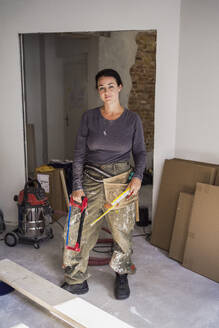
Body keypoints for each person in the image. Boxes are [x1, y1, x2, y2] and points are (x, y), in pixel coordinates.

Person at [62, 68, 146, 300]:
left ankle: (121, 275)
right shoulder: (89, 117)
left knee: (122, 232)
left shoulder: (132, 119)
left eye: (111, 86)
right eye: (101, 87)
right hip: (91, 179)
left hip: (120, 182)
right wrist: (77, 185)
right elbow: (79, 154)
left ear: (120, 87)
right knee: (80, 229)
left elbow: (139, 152)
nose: (106, 91)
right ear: (98, 91)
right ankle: (76, 278)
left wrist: (138, 177)